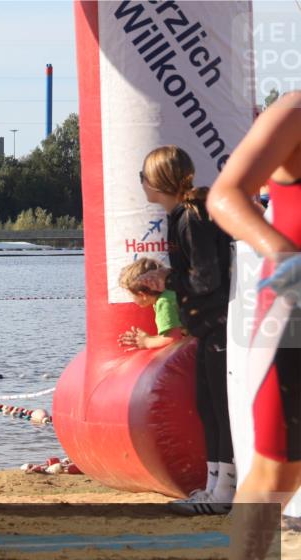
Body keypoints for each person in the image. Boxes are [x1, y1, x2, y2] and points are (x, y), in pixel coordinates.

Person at [206, 91, 300, 560]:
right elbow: (226, 195)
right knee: (277, 469)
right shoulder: (294, 113)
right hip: (296, 316)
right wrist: (283, 253)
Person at [135, 145, 236, 513]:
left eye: (143, 176)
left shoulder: (190, 217)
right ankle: (213, 488)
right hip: (207, 326)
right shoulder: (181, 216)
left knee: (220, 408)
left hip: (219, 324)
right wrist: (168, 277)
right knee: (207, 406)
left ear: (158, 182)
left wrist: (167, 280)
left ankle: (224, 491)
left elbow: (205, 278)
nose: (141, 183)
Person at [117, 257, 184, 350]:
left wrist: (146, 342)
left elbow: (174, 338)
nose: (132, 299)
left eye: (130, 294)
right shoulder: (171, 292)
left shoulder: (163, 302)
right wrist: (148, 338)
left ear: (142, 294)